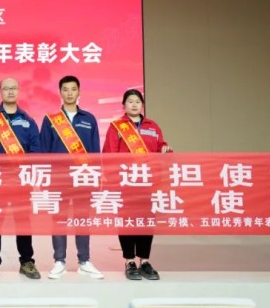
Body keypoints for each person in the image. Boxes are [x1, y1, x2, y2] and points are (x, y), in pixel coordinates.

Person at [102, 88, 172, 281]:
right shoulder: (116, 127)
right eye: (130, 101)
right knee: (127, 221)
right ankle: (129, 260)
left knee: (147, 221)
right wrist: (113, 180)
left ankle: (145, 260)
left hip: (148, 182)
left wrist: (165, 149)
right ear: (124, 105)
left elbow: (160, 147)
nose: (134, 104)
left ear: (142, 105)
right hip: (126, 182)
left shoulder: (153, 126)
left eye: (137, 101)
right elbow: (109, 155)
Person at [39, 75, 104, 279]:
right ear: (60, 92)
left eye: (73, 89)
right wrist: (45, 178)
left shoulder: (89, 119)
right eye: (65, 89)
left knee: (83, 219)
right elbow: (43, 151)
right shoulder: (50, 120)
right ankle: (59, 261)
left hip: (83, 178)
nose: (69, 93)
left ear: (79, 92)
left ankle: (84, 261)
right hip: (58, 179)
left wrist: (97, 177)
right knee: (58, 220)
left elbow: (95, 151)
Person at [0, 78, 42, 280]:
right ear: (0, 91)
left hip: (22, 180)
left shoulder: (28, 120)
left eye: (14, 88)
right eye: (6, 88)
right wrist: (4, 169)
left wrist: (20, 171)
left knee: (23, 221)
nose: (10, 91)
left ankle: (27, 261)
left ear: (19, 90)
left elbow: (36, 149)